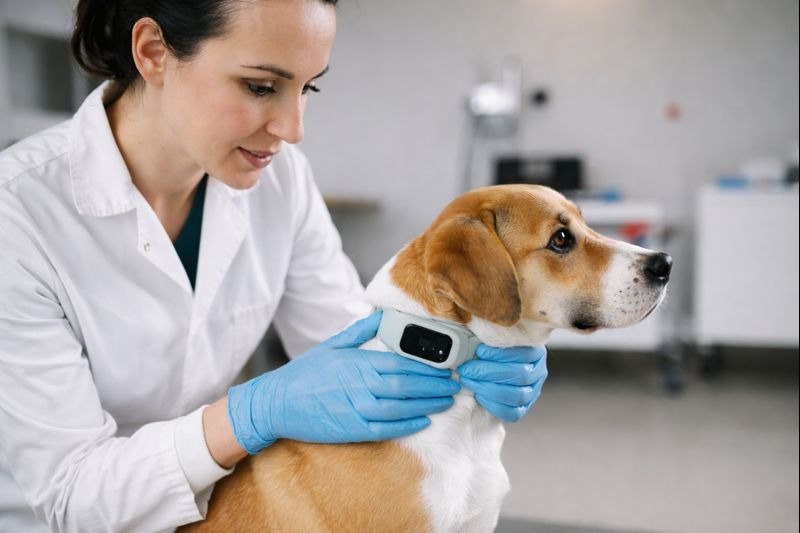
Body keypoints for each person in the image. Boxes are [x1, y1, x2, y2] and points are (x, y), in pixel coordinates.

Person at [0, 0, 549, 531]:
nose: (293, 128)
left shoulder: (281, 182)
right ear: (152, 52)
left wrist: (467, 351)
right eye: (261, 86)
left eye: (307, 87)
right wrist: (249, 414)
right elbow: (73, 499)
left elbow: (351, 341)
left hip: (215, 509)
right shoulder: (18, 215)